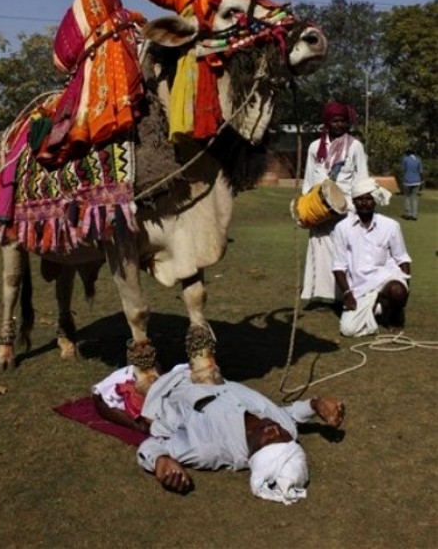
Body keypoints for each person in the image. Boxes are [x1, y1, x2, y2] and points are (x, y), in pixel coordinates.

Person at [93, 364, 345, 503]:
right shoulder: (283, 427)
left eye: (271, 439)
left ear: (256, 453)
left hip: (160, 393)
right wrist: (315, 405)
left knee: (102, 397)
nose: (273, 429)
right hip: (200, 370)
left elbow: (151, 445)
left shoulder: (209, 449)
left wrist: (161, 460)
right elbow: (289, 414)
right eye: (283, 436)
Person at [301, 101, 369, 305]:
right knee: (318, 250)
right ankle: (319, 295)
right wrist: (306, 205)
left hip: (345, 208)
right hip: (319, 207)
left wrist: (357, 207)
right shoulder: (315, 147)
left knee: (344, 252)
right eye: (335, 121)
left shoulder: (355, 146)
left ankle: (344, 295)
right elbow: (308, 177)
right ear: (327, 122)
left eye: (343, 121)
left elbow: (362, 177)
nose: (340, 125)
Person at [332, 177, 411, 337]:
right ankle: (380, 307)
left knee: (397, 291)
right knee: (348, 330)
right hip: (360, 287)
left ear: (375, 201)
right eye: (359, 199)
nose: (364, 203)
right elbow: (338, 266)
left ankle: (395, 316)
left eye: (369, 198)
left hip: (387, 279)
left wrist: (405, 290)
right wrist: (347, 294)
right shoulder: (342, 228)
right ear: (353, 201)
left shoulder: (390, 226)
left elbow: (402, 259)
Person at [401, 149, 422, 221]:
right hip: (416, 181)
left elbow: (403, 169)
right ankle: (414, 215)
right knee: (414, 198)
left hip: (407, 181)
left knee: (407, 197)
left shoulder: (405, 159)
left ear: (407, 154)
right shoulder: (418, 159)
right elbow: (420, 171)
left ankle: (408, 214)